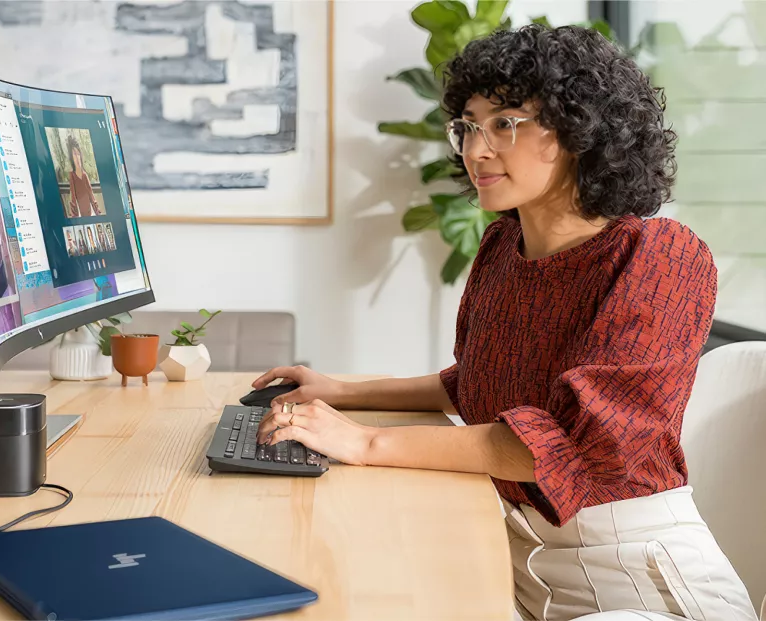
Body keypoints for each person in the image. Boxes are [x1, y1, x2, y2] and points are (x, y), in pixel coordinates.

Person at [254, 24, 757, 621]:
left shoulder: (658, 255)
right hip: (523, 561)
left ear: (578, 131)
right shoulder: (502, 247)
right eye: (468, 125)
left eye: (505, 122)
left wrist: (365, 441)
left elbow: (578, 444)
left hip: (638, 579)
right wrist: (344, 391)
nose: (475, 149)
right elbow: (482, 381)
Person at [67, 135, 100, 217]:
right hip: (80, 214)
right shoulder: (72, 175)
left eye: (78, 154)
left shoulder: (84, 175)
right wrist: (75, 216)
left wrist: (97, 213)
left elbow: (91, 195)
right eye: (74, 154)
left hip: (90, 212)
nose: (77, 157)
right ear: (71, 157)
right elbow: (73, 199)